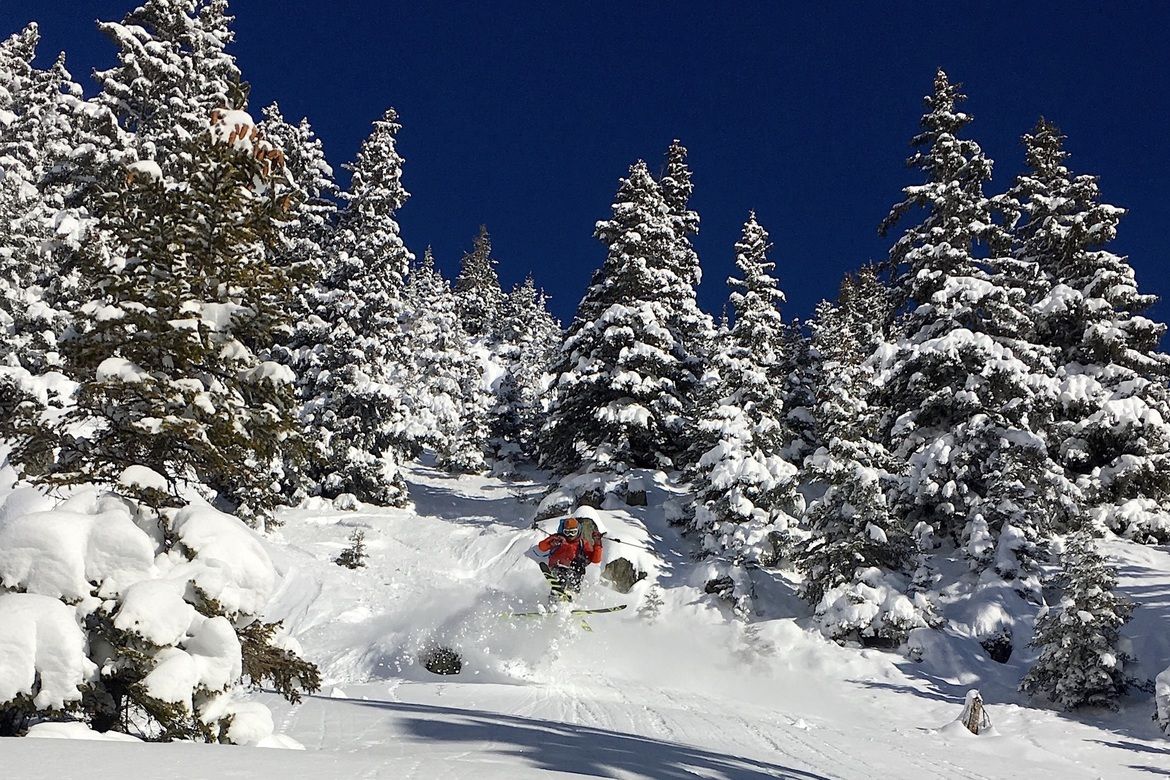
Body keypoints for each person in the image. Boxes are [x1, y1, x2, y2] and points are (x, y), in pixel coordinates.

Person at [537, 510, 603, 602]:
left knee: (577, 570)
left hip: (575, 570)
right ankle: (554, 598)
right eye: (567, 532)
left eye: (573, 532)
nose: (570, 535)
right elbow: (541, 547)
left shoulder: (583, 543)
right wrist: (551, 542)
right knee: (562, 576)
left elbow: (596, 560)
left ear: (578, 530)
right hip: (558, 567)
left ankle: (572, 599)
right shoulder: (558, 539)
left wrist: (597, 543)